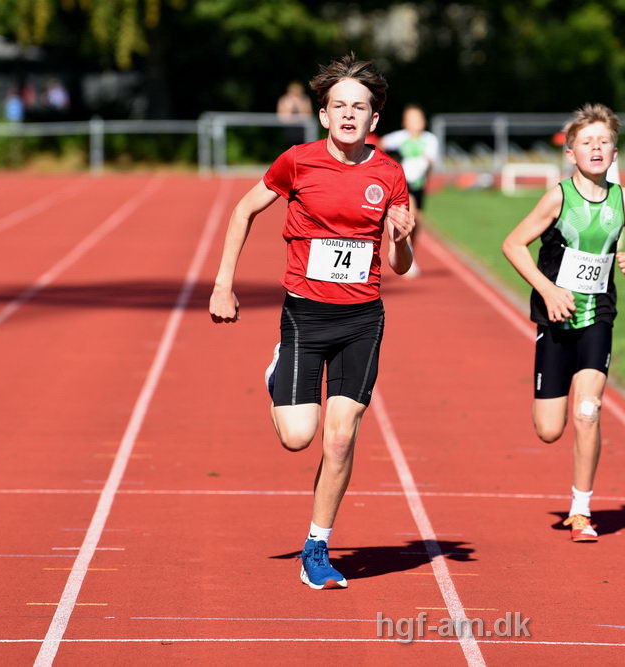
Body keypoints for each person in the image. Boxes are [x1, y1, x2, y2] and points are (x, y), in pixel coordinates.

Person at [209, 54, 414, 589]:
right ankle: (279, 371)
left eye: (360, 107)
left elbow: (400, 266)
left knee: (341, 438)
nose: (349, 115)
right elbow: (243, 211)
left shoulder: (389, 174)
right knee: (299, 437)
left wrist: (401, 236)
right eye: (339, 106)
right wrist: (223, 284)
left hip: (363, 318)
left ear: (375, 119)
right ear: (324, 115)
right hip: (305, 314)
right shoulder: (297, 162)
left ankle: (316, 547)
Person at [502, 104, 625, 542]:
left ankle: (581, 510)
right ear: (571, 152)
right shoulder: (558, 196)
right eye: (587, 142)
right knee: (549, 429)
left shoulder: (624, 199)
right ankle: (553, 403)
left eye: (604, 142)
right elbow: (513, 244)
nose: (596, 148)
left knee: (588, 410)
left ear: (614, 151)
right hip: (556, 317)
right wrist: (547, 290)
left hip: (598, 316)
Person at [382, 105, 439, 277]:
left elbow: (429, 162)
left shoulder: (430, 140)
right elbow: (380, 144)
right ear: (405, 122)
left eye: (419, 119)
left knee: (417, 222)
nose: (416, 123)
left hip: (419, 185)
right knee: (410, 214)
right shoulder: (399, 138)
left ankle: (409, 252)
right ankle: (405, 256)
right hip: (404, 183)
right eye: (412, 119)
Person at [277, 81, 314, 147]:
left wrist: (299, 105)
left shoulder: (305, 100)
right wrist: (290, 106)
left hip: (302, 132)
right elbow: (281, 117)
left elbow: (309, 116)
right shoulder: (284, 100)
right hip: (288, 131)